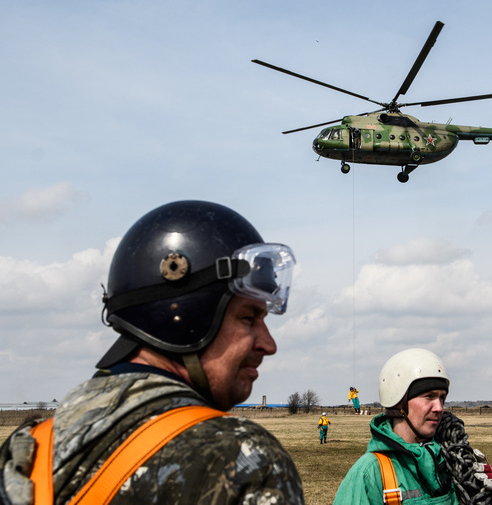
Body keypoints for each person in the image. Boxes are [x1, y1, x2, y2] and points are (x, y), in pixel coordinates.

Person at [0, 200, 305, 504]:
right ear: (189, 315)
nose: (268, 344)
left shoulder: (26, 453)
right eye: (248, 318)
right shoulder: (242, 459)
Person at [334, 348, 492, 504]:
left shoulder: (452, 464)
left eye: (442, 398)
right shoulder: (369, 474)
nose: (439, 408)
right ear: (399, 402)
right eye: (429, 396)